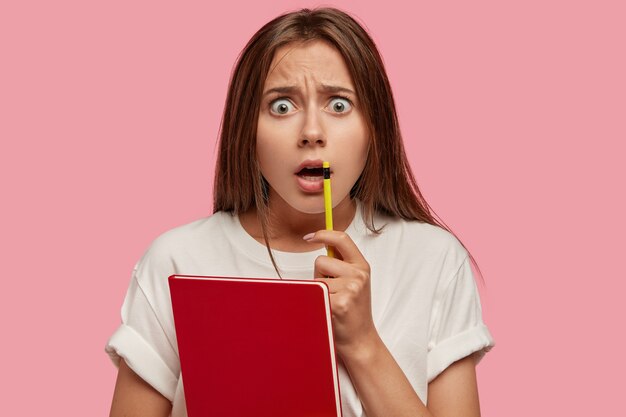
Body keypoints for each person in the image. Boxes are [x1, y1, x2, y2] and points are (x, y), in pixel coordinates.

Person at [106, 7, 494, 417]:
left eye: (339, 105)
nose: (311, 132)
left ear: (374, 127)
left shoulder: (434, 260)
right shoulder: (176, 261)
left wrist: (362, 343)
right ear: (246, 130)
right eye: (281, 107)